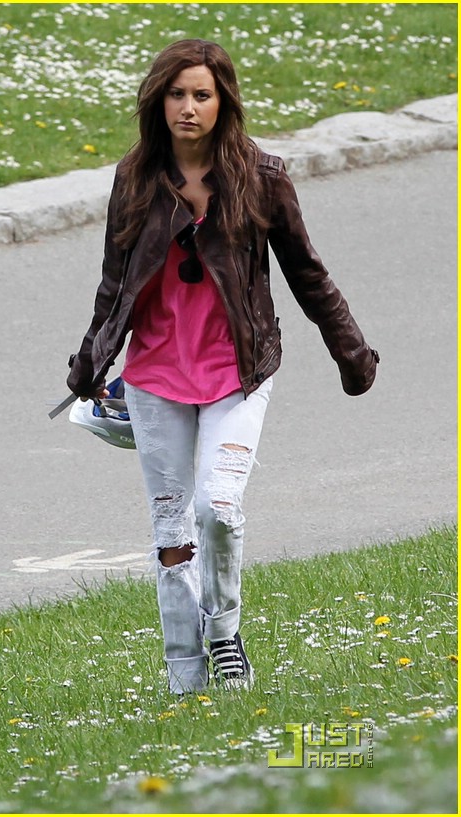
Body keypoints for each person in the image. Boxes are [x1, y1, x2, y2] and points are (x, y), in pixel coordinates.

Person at [66, 39, 379, 694]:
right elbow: (113, 280)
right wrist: (92, 358)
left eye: (201, 95)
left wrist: (349, 349)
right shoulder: (134, 177)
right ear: (159, 101)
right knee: (171, 529)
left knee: (217, 505)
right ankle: (185, 676)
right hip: (153, 378)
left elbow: (308, 274)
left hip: (238, 372)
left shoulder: (262, 175)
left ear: (223, 102)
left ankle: (224, 631)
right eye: (176, 94)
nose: (188, 107)